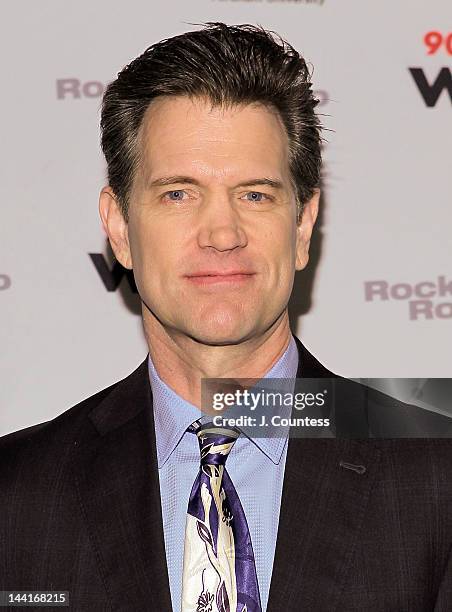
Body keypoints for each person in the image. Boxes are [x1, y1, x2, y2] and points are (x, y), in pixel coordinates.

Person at [1, 22, 451, 612]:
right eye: (178, 194)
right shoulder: (16, 498)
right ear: (118, 228)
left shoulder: (436, 478)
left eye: (255, 194)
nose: (222, 234)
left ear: (302, 225)